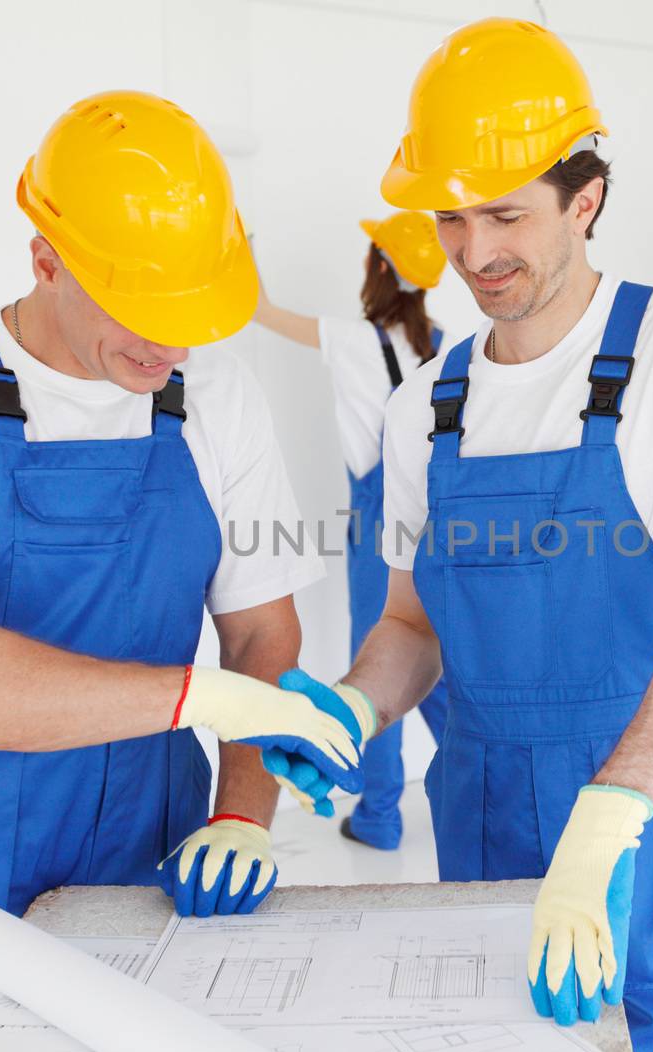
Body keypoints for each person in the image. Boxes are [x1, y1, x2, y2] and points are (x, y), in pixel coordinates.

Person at [264, 19, 653, 1052]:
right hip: (487, 803)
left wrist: (613, 809)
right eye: (451, 219)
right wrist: (353, 705)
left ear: (583, 199)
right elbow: (414, 620)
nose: (473, 253)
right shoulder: (428, 404)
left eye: (504, 214)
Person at [0, 91, 363, 1052]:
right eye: (145, 312)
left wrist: (242, 811)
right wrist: (206, 695)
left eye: (190, 317)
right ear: (46, 257)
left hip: (143, 853)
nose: (170, 348)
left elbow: (260, 634)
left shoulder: (212, 396)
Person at [250, 210, 454, 850]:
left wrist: (241, 246)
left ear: (382, 267)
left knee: (381, 656)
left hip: (377, 519)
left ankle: (380, 814)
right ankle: (475, 787)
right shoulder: (446, 343)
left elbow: (259, 311)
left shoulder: (349, 338)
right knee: (441, 657)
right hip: (442, 517)